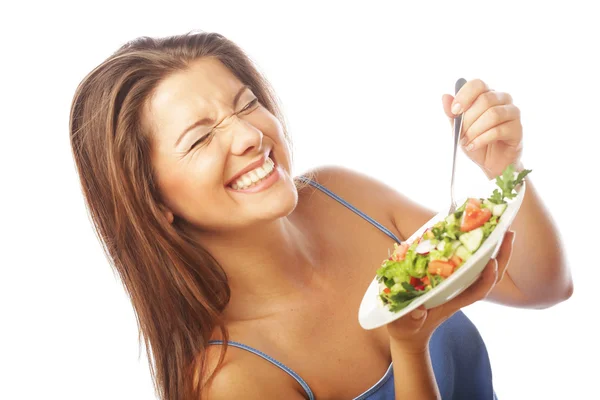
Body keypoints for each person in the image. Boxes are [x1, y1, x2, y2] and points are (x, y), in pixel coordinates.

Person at [69, 30, 573, 400]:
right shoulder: (232, 379)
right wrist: (410, 349)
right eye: (200, 138)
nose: (248, 136)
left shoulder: (342, 195)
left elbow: (542, 285)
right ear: (153, 201)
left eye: (246, 105)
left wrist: (506, 168)